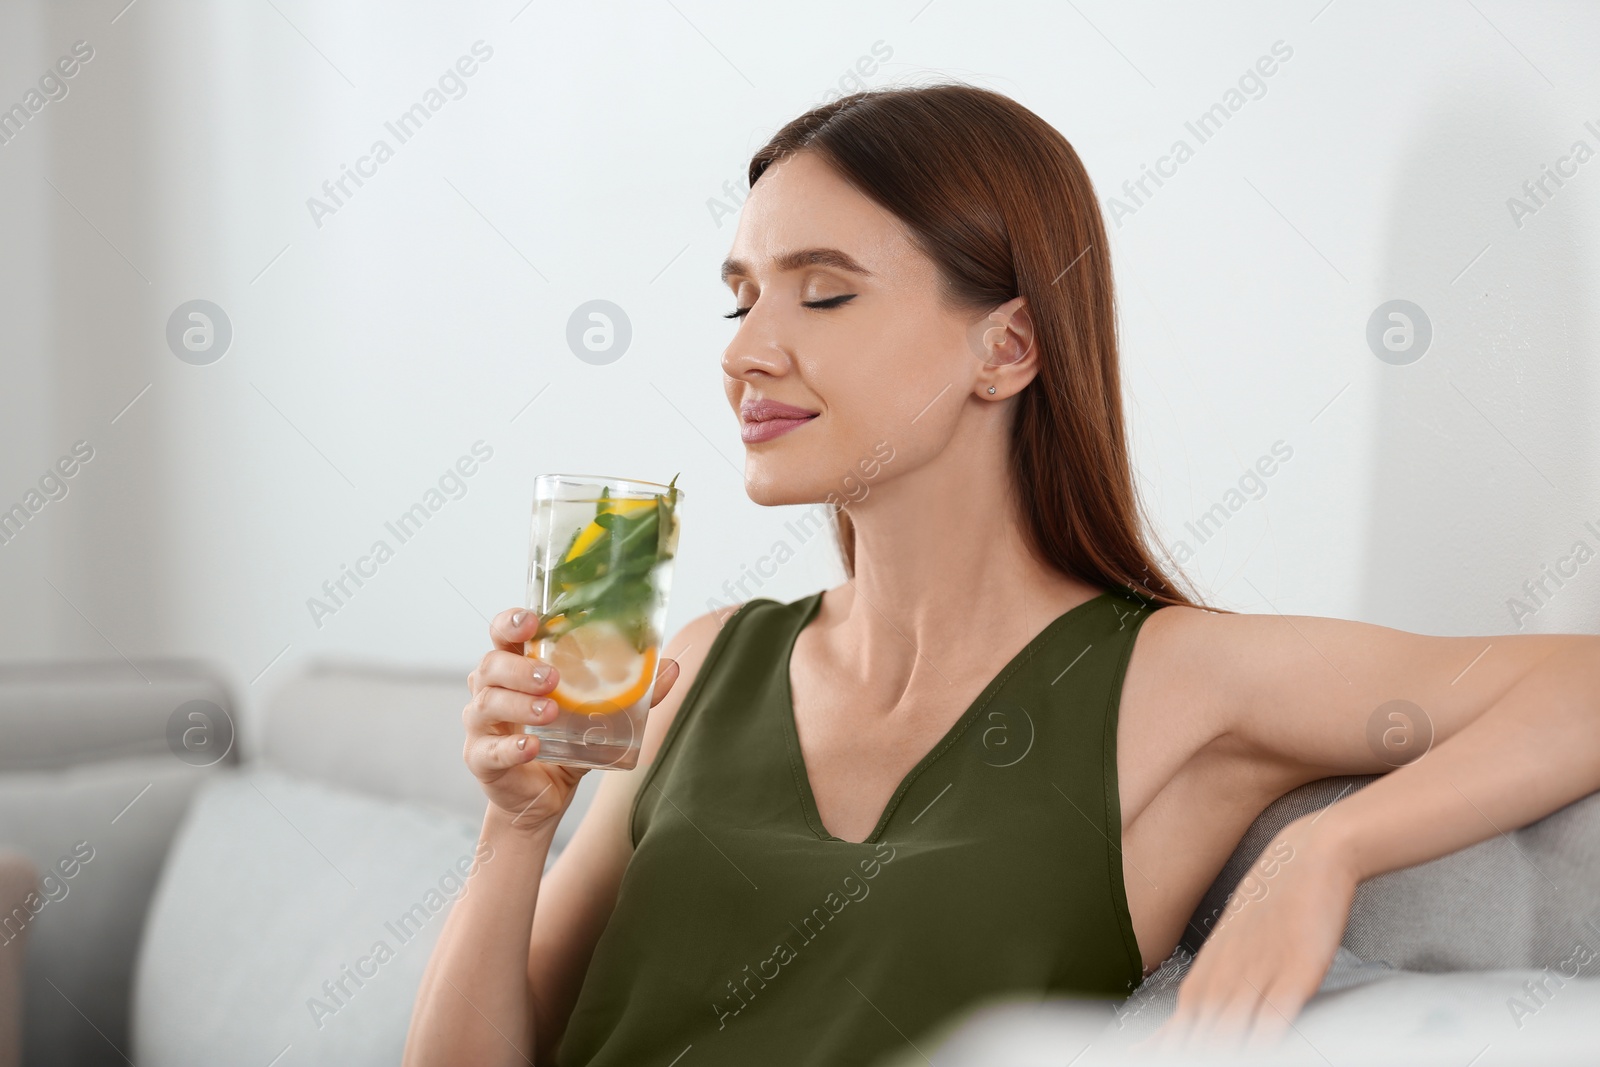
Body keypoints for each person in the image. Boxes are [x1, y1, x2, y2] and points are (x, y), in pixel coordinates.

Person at [403, 83, 1600, 1066]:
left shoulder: (1170, 680)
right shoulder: (710, 659)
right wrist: (514, 834)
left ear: (1007, 346)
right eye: (738, 298)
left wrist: (1318, 852)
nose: (746, 351)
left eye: (821, 291)